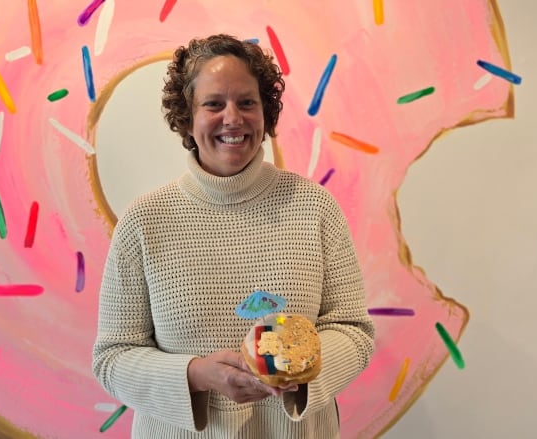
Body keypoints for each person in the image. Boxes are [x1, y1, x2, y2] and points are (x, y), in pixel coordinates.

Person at [92, 34, 375, 438]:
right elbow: (112, 357)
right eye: (213, 104)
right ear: (186, 117)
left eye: (247, 102)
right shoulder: (144, 221)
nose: (233, 118)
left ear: (266, 113)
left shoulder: (315, 207)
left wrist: (295, 367)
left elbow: (353, 330)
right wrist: (196, 375)